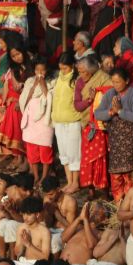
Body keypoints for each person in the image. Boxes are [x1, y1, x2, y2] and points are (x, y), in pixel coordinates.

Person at [93, 68, 133, 201]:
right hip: (116, 143)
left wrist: (120, 112)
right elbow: (98, 113)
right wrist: (110, 112)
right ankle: (118, 206)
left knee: (132, 177)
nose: (115, 85)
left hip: (132, 143)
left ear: (127, 81)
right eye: (113, 82)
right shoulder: (110, 93)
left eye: (118, 82)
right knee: (116, 175)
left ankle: (132, 204)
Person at [75, 55, 111, 194]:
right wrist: (89, 100)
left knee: (101, 157)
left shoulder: (104, 78)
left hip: (101, 125)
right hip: (87, 125)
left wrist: (99, 94)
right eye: (79, 71)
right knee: (88, 158)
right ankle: (90, 189)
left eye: (83, 72)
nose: (81, 74)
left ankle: (103, 189)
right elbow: (77, 106)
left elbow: (111, 96)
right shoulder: (79, 82)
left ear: (91, 71)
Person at [51, 52, 85, 193]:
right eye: (61, 68)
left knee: (74, 154)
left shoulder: (77, 80)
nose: (63, 71)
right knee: (64, 154)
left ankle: (75, 182)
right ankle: (69, 181)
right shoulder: (59, 78)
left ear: (72, 66)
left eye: (65, 68)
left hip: (72, 121)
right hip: (59, 121)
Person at [20, 59, 55, 185]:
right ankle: (35, 175)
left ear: (47, 70)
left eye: (42, 70)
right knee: (32, 149)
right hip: (31, 121)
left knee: (45, 149)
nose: (39, 72)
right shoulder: (29, 81)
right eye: (37, 70)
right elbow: (25, 100)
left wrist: (43, 85)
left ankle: (44, 176)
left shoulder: (52, 82)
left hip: (45, 120)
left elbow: (50, 100)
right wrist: (34, 86)